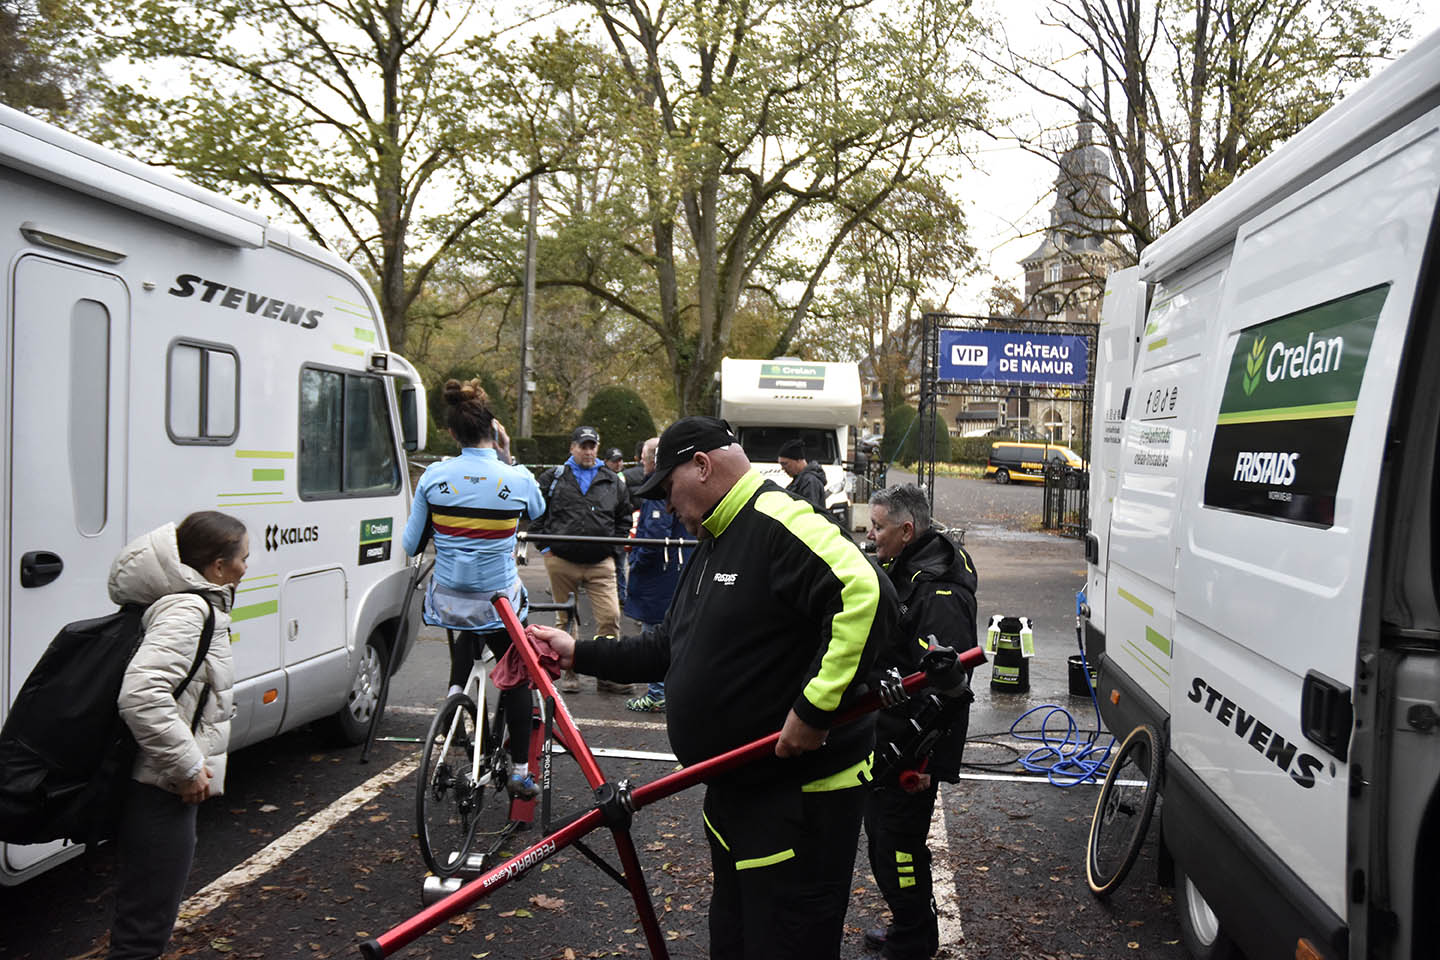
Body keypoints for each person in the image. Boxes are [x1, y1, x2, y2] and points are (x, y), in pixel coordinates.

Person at [529, 416, 899, 959]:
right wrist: (578, 650)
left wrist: (816, 707)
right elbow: (668, 646)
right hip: (735, 794)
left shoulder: (777, 517)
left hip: (795, 801)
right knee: (735, 939)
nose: (665, 504)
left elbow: (864, 592)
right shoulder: (714, 537)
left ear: (701, 467)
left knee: (786, 944)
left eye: (667, 488)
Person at [108, 511, 246, 960]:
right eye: (242, 558)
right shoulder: (190, 609)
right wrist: (187, 768)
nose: (248, 566)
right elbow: (142, 694)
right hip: (159, 787)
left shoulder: (187, 600)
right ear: (218, 567)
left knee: (145, 920)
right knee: (143, 932)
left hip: (153, 780)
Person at [400, 379, 547, 798]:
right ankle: (520, 770)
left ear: (451, 433)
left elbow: (411, 544)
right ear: (494, 431)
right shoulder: (515, 477)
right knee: (517, 677)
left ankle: (453, 698)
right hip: (498, 601)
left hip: (446, 598)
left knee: (467, 629)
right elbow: (537, 512)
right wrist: (507, 457)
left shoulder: (432, 476)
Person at [862, 484, 978, 960]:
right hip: (890, 732)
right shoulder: (906, 566)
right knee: (883, 841)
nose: (870, 537)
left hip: (915, 746)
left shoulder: (940, 591)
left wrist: (928, 758)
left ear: (907, 530)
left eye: (878, 528)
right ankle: (907, 925)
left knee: (899, 847)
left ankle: (914, 939)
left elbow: (948, 688)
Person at [531, 425, 633, 695]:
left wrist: (614, 548)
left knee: (610, 617)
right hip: (561, 560)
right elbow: (537, 513)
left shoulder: (612, 480)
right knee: (565, 618)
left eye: (592, 446)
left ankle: (606, 673)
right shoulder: (553, 477)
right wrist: (545, 548)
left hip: (601, 562)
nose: (588, 451)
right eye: (583, 446)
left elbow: (624, 517)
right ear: (572, 447)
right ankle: (569, 672)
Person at [621, 436, 693, 713]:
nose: (640, 462)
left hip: (659, 576)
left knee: (655, 635)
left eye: (642, 457)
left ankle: (657, 693)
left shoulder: (657, 491)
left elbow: (653, 535)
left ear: (652, 459)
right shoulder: (680, 484)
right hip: (676, 568)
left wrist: (636, 561)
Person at [778, 438, 827, 510]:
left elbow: (810, 511)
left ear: (798, 460)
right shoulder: (801, 480)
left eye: (785, 464)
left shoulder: (810, 481)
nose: (782, 468)